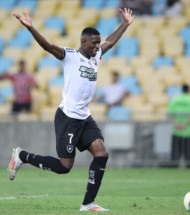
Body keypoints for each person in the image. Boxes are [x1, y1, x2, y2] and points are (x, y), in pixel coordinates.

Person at [8, 8, 134, 212]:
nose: (97, 46)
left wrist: (125, 25)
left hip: (85, 117)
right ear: (84, 42)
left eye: (97, 42)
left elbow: (110, 42)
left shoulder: (96, 56)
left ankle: (88, 203)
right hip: (67, 118)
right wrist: (31, 28)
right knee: (64, 167)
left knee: (101, 154)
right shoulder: (70, 56)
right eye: (94, 43)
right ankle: (22, 156)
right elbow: (48, 46)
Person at [167, 84, 190, 168]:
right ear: (189, 90)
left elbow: (169, 115)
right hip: (189, 132)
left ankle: (173, 169)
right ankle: (189, 168)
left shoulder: (175, 100)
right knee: (189, 154)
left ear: (181, 90)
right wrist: (184, 125)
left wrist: (176, 125)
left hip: (176, 131)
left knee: (175, 154)